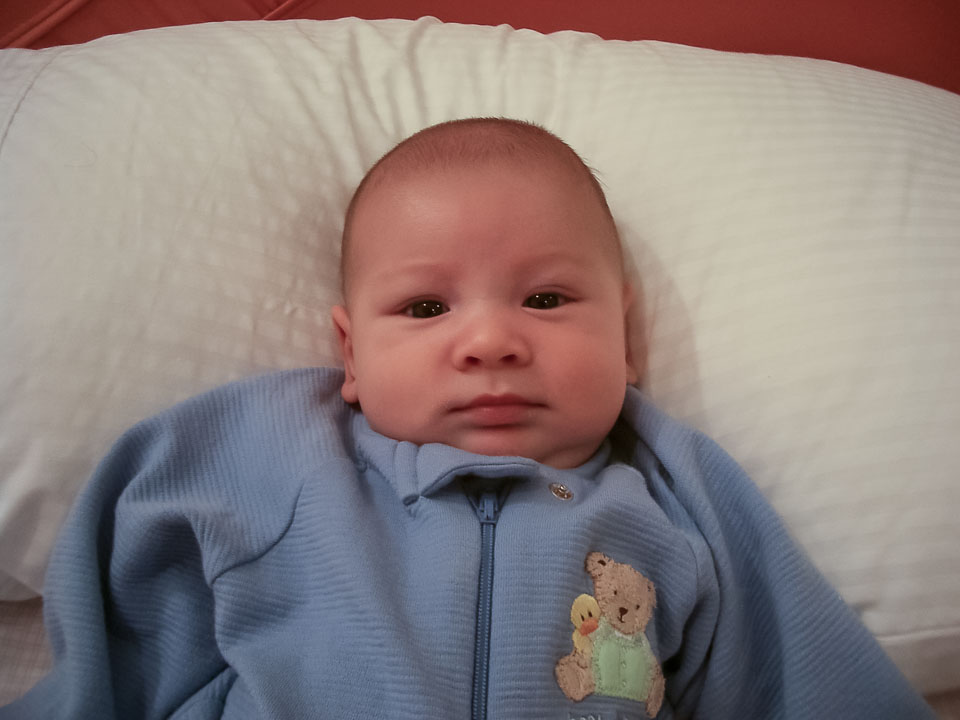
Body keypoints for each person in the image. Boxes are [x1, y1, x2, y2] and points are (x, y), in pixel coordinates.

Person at [1, 118, 934, 720]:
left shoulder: (679, 493)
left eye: (547, 299)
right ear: (352, 355)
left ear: (628, 337)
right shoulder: (282, 451)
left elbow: (803, 677)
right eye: (425, 308)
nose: (489, 341)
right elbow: (124, 620)